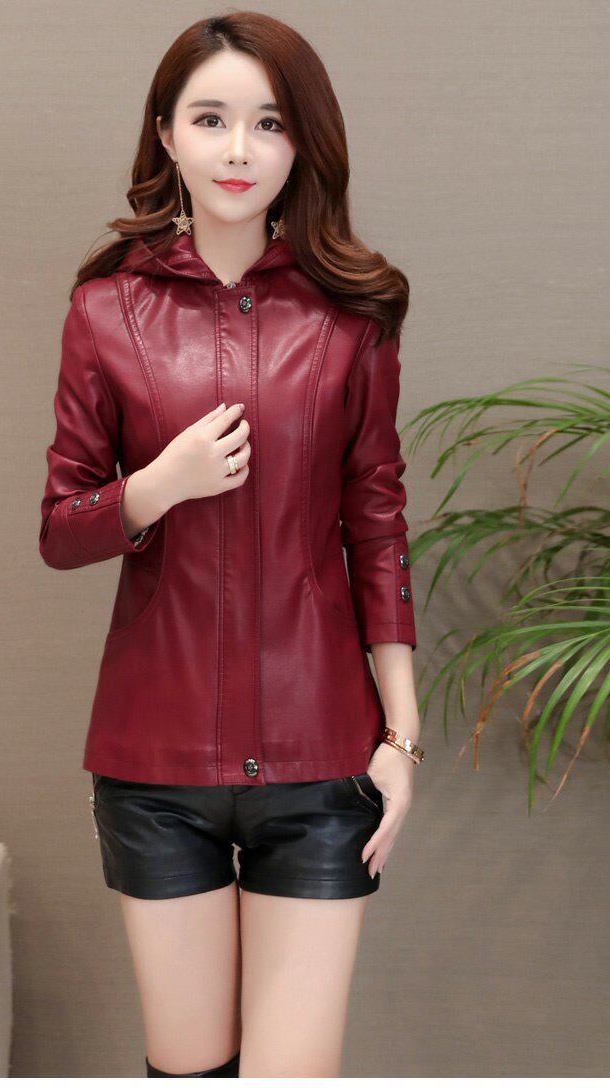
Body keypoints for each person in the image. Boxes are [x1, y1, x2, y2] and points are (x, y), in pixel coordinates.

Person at [39, 11, 425, 1079]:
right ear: (167, 134)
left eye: (269, 122)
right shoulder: (105, 312)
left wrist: (401, 739)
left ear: (302, 142)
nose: (239, 148)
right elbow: (60, 530)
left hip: (322, 757)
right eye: (210, 119)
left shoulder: (353, 316)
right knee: (189, 1070)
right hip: (154, 766)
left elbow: (378, 524)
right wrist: (157, 486)